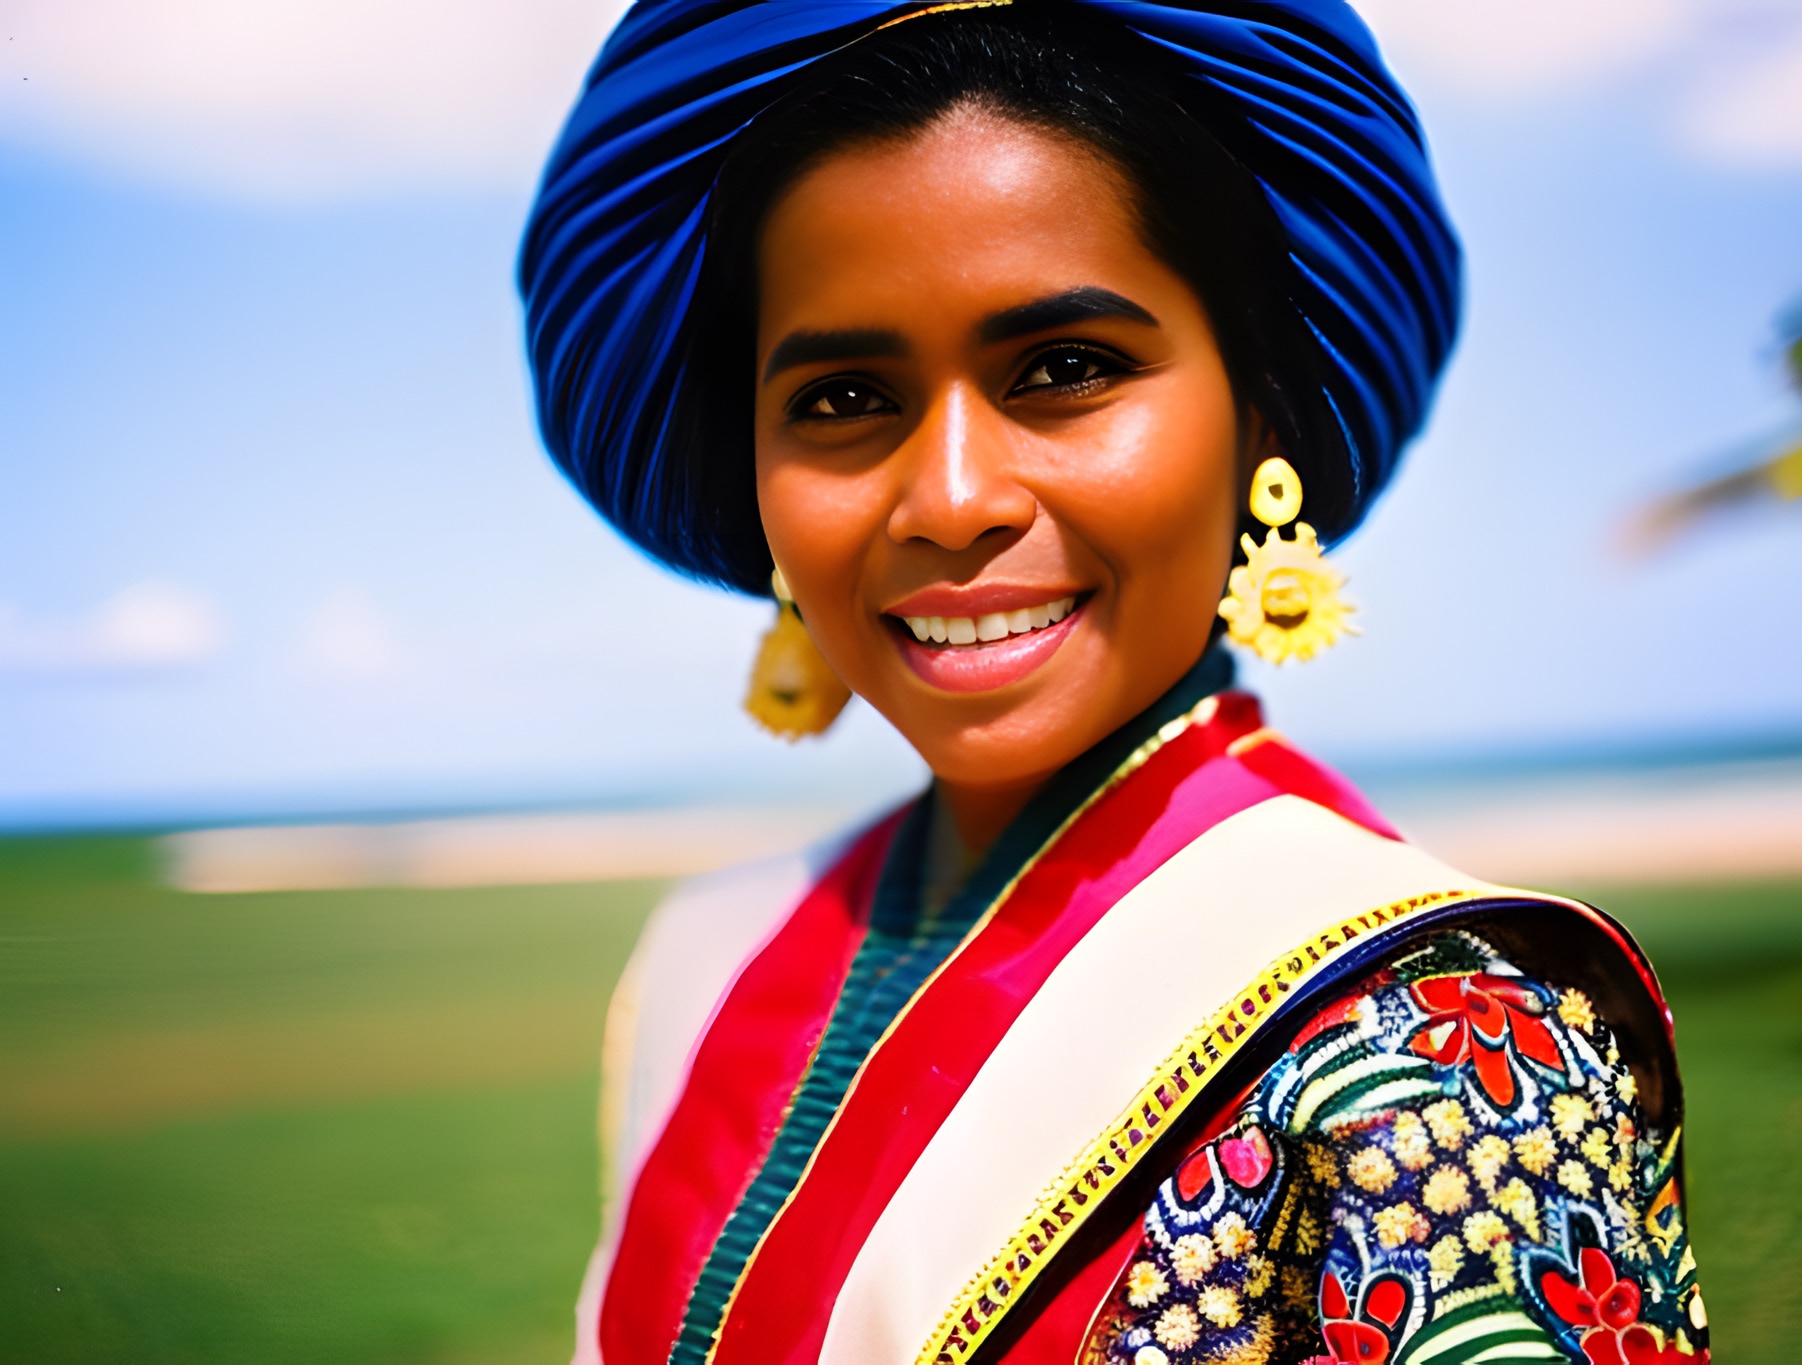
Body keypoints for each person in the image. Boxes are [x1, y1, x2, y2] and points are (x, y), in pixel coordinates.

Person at [519, 3, 1709, 1363]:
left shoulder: (1437, 1034)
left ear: (1260, 419)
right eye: (845, 397)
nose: (951, 499)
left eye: (1066, 369)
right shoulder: (709, 952)